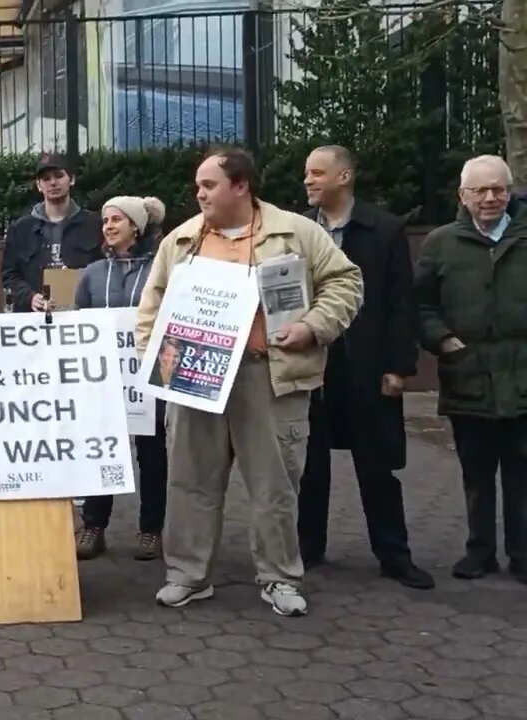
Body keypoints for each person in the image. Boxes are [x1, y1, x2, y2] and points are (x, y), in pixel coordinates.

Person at [135, 148, 363, 617]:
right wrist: (155, 362)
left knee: (273, 485)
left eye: (209, 185)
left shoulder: (296, 232)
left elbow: (346, 281)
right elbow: (150, 309)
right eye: (197, 185)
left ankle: (280, 578)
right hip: (195, 374)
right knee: (190, 481)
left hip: (268, 376)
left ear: (241, 186)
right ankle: (188, 575)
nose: (199, 193)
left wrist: (313, 327)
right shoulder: (181, 241)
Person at [297, 145, 434, 589]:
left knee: (377, 465)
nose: (309, 181)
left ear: (345, 177)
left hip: (369, 365)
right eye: (306, 174)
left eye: (318, 173)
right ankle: (306, 549)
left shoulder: (385, 229)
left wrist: (399, 366)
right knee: (309, 463)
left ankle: (394, 555)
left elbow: (401, 303)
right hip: (311, 364)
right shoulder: (296, 231)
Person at [415, 154, 527, 585]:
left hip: (521, 376)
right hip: (468, 375)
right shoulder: (441, 243)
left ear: (509, 190)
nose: (490, 198)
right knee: (476, 474)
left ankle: (522, 554)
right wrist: (443, 340)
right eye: (479, 190)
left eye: (498, 188)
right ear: (462, 196)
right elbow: (421, 303)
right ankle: (479, 552)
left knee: (522, 474)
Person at [73, 195, 168, 562]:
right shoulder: (93, 273)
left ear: (136, 227)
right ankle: (94, 525)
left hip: (149, 377)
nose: (108, 226)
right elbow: (78, 318)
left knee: (152, 453)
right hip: (104, 380)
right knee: (101, 450)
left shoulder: (159, 270)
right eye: (105, 221)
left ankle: (151, 530)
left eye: (116, 220)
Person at [2, 152, 104, 312]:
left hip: (81, 316)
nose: (53, 183)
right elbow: (9, 274)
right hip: (33, 319)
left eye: (59, 176)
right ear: (38, 185)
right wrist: (30, 297)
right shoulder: (21, 229)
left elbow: (104, 269)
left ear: (71, 180)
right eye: (46, 179)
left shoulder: (93, 224)